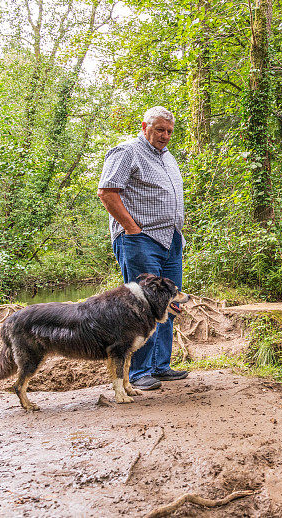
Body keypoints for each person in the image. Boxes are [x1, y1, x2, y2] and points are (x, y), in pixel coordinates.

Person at [97, 106, 188, 391]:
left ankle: (160, 366)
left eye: (169, 132)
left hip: (171, 239)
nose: (164, 136)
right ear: (144, 126)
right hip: (140, 239)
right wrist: (132, 228)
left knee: (168, 303)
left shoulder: (167, 156)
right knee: (140, 307)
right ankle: (137, 372)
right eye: (159, 129)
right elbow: (107, 192)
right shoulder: (126, 152)